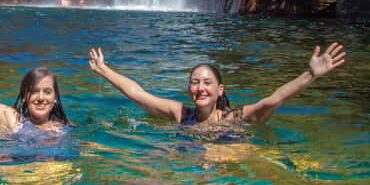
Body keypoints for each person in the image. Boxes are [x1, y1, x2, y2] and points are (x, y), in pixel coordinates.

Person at [87, 42, 346, 127]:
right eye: (194, 83)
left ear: (220, 90)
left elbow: (274, 100)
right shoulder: (181, 114)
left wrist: (310, 75)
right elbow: (137, 93)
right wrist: (103, 69)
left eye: (206, 83)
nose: (200, 88)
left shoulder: (235, 118)